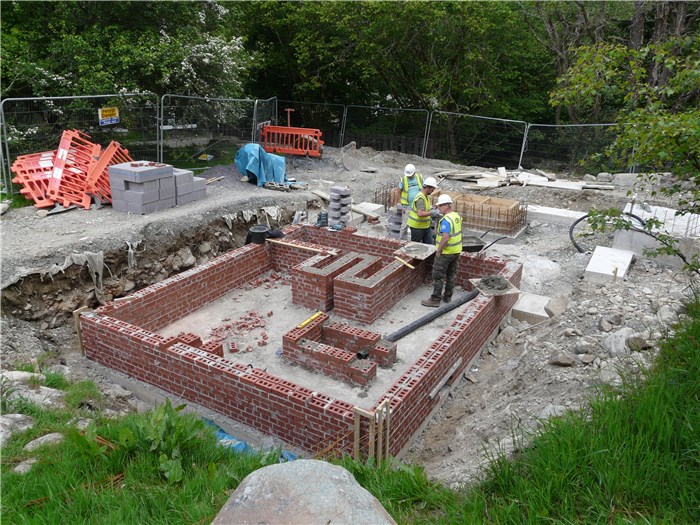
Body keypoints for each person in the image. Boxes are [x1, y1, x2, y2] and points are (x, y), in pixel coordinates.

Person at [422, 194, 462, 307]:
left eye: (439, 206)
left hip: (446, 252)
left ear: (445, 205)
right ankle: (448, 296)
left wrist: (439, 251)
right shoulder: (456, 216)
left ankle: (435, 299)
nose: (438, 209)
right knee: (451, 274)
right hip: (456, 251)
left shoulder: (446, 220)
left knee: (437, 275)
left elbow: (445, 238)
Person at [406, 177, 439, 244]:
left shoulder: (426, 196)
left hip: (425, 226)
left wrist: (431, 208)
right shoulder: (420, 198)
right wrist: (431, 213)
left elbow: (425, 208)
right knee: (415, 245)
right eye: (432, 189)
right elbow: (420, 213)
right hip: (417, 227)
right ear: (427, 187)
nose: (433, 191)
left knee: (429, 244)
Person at [398, 163, 423, 240]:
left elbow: (423, 189)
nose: (409, 176)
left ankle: (415, 241)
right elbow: (399, 191)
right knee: (404, 225)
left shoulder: (419, 177)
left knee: (417, 224)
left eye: (410, 175)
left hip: (417, 206)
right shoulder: (404, 179)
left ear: (414, 172)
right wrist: (400, 204)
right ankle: (401, 241)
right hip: (407, 207)